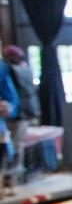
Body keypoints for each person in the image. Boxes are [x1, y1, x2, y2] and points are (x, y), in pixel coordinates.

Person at [1, 44, 32, 174]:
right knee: (14, 146)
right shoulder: (19, 69)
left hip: (16, 113)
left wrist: (9, 108)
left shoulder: (7, 69)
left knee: (13, 146)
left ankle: (10, 176)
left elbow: (14, 96)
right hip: (17, 113)